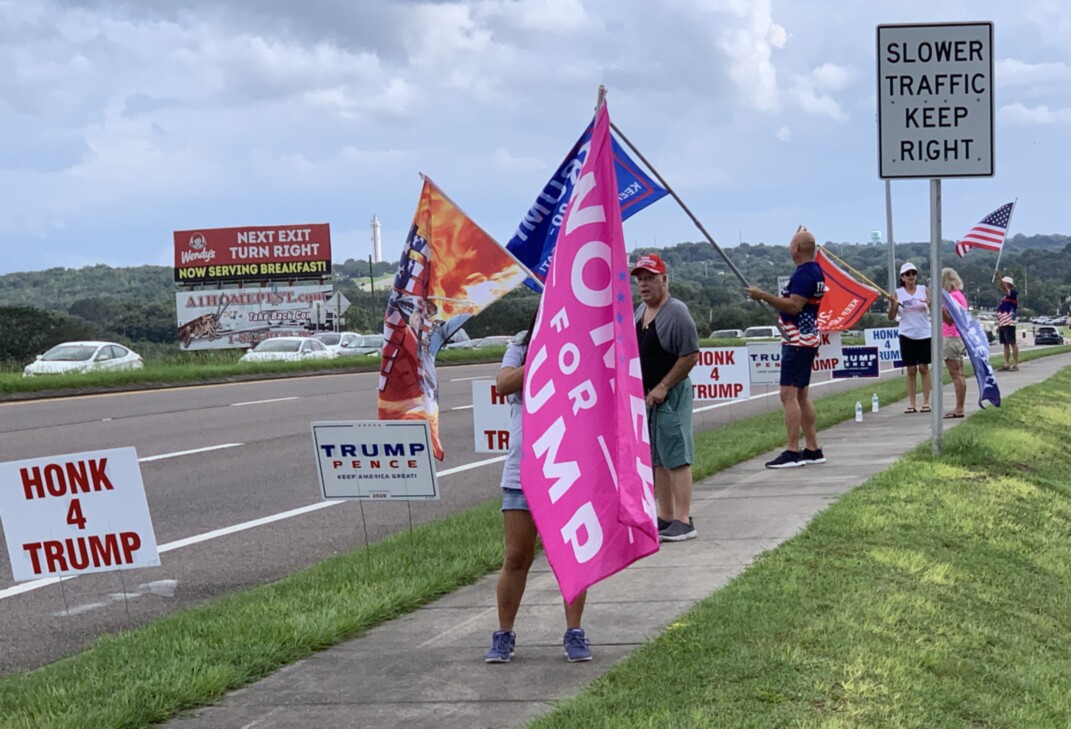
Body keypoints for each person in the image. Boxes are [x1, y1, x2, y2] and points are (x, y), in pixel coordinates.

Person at [484, 324, 592, 664]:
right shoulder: (520, 344)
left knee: (571, 556)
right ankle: (504, 634)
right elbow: (502, 384)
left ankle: (574, 632)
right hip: (523, 470)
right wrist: (543, 361)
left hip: (566, 467)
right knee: (517, 556)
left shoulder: (579, 345)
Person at [631, 253, 700, 542]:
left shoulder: (676, 312)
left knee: (677, 455)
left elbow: (690, 355)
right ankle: (666, 516)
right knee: (657, 457)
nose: (644, 285)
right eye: (641, 280)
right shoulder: (639, 312)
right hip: (649, 398)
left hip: (671, 394)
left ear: (664, 279)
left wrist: (663, 386)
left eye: (650, 279)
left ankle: (684, 520)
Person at [745, 226, 826, 468]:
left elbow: (793, 306)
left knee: (787, 394)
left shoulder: (804, 274)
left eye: (791, 244)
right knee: (801, 394)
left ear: (797, 249)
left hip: (798, 341)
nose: (789, 248)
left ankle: (793, 450)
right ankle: (812, 448)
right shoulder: (815, 271)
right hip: (806, 338)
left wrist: (763, 296)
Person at [887, 262, 932, 413]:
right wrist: (893, 304)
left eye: (913, 273)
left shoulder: (923, 290)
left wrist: (930, 303)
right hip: (907, 334)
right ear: (902, 277)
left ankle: (926, 402)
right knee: (911, 369)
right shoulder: (898, 293)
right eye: (908, 274)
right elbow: (891, 317)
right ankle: (911, 403)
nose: (911, 276)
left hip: (924, 333)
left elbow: (933, 308)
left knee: (924, 368)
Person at [941, 268, 968, 418]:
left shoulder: (951, 298)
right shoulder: (960, 296)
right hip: (959, 337)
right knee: (960, 373)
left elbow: (950, 319)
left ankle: (959, 407)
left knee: (955, 374)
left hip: (951, 336)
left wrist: (939, 308)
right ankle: (960, 406)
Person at [994, 270, 1020, 371]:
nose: (1002, 285)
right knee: (1005, 344)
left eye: (1004, 283)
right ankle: (1006, 363)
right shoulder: (1004, 297)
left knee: (1012, 343)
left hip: (1009, 322)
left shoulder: (1012, 293)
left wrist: (998, 277)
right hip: (1003, 323)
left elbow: (1004, 288)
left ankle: (1016, 363)